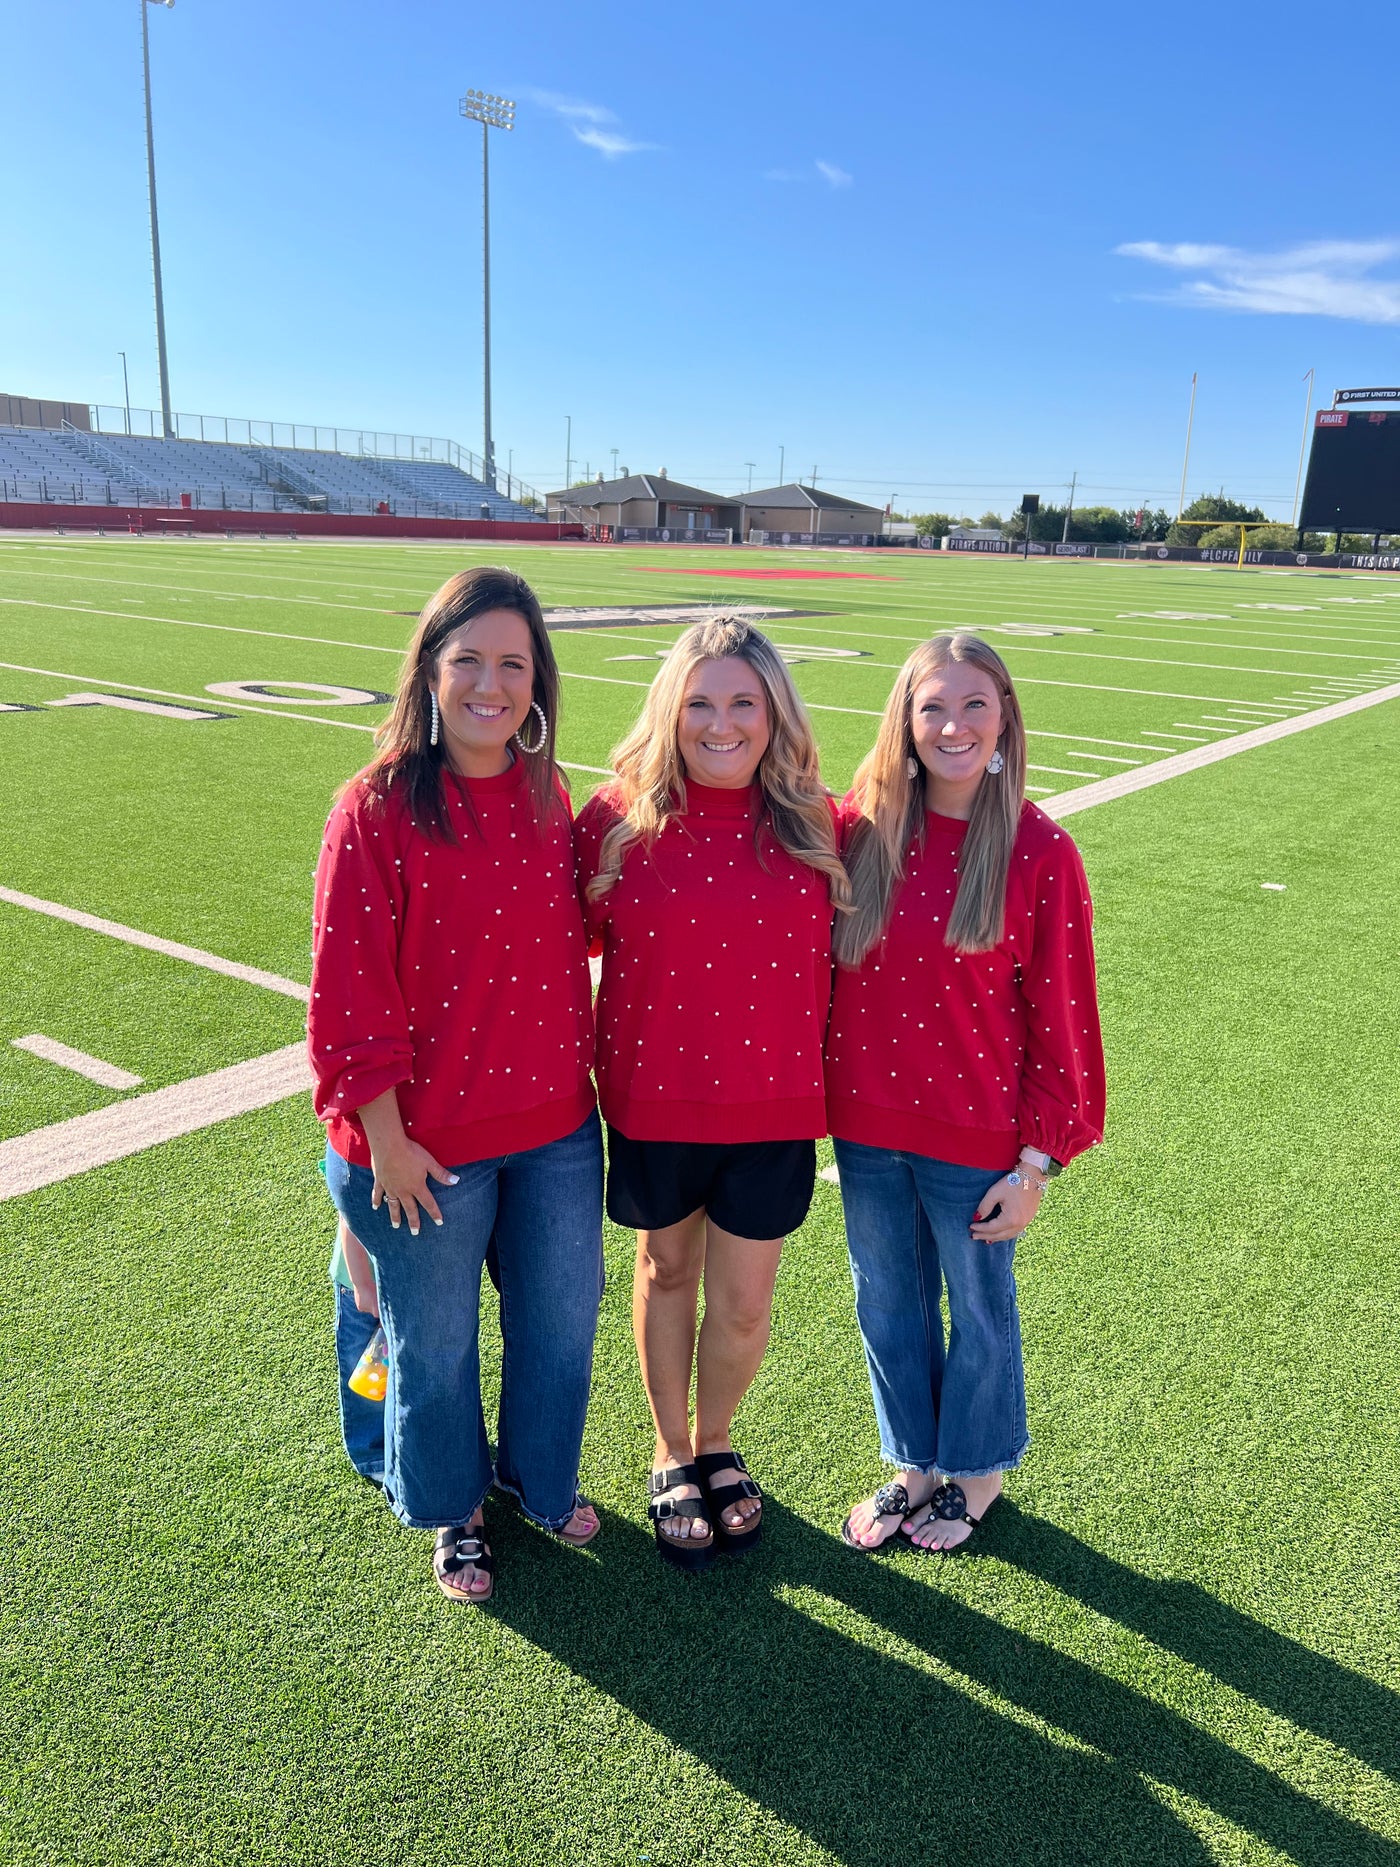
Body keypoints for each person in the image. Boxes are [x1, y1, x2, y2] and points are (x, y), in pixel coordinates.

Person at [311, 566, 603, 1603]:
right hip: (427, 1140)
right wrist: (382, 1139)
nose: (490, 682)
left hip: (558, 1128)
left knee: (561, 1322)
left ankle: (533, 1479)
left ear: (537, 682)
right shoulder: (376, 804)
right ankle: (450, 1506)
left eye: (512, 663)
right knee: (433, 1344)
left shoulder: (545, 790)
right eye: (467, 659)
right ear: (430, 669)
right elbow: (349, 989)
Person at [574, 618, 850, 1569]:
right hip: (657, 1101)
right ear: (670, 709)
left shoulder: (822, 821)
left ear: (774, 712)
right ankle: (670, 1449)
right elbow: (533, 945)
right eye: (699, 702)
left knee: (740, 1306)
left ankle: (719, 1437)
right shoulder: (614, 819)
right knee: (666, 1275)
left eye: (743, 702)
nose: (720, 723)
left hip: (774, 1108)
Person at [828, 632, 1105, 1554]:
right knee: (888, 1302)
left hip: (976, 1137)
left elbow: (1064, 1017)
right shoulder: (860, 829)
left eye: (973, 706)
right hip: (866, 1131)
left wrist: (1035, 1163)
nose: (953, 725)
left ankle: (978, 1467)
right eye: (932, 707)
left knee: (978, 1308)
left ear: (1004, 718)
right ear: (905, 722)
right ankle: (913, 1462)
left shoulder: (1040, 850)